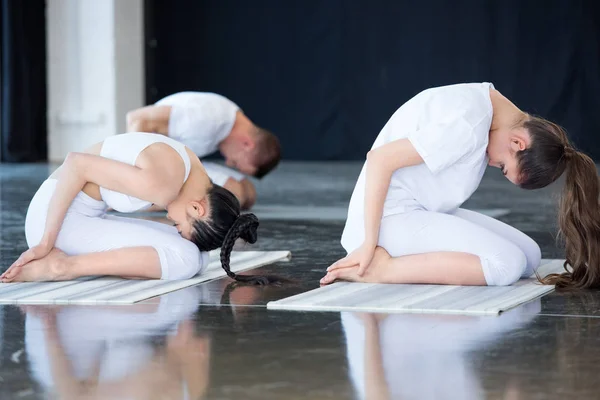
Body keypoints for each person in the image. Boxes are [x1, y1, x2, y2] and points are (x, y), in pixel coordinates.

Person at [322, 82, 599, 289]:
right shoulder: (467, 126)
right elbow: (379, 160)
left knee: (529, 257)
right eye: (503, 166)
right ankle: (383, 269)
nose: (493, 164)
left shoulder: (487, 106)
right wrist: (369, 245)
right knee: (506, 265)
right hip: (386, 220)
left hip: (417, 212)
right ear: (517, 143)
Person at [1, 132, 276, 284]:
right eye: (179, 225)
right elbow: (76, 163)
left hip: (83, 216)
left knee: (197, 258)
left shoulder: (191, 170)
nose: (170, 219)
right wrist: (45, 243)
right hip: (54, 222)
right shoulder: (163, 185)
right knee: (187, 260)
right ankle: (62, 267)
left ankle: (66, 261)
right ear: (197, 208)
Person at [126, 92, 282, 210]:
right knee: (232, 193)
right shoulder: (207, 117)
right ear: (247, 144)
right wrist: (136, 174)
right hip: (152, 169)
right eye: (235, 162)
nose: (228, 162)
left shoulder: (231, 119)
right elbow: (137, 119)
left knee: (248, 193)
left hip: (175, 161)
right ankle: (133, 201)